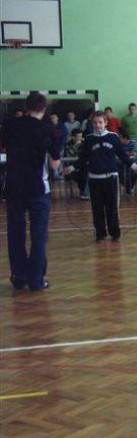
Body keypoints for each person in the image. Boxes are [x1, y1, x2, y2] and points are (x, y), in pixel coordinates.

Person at [1, 92, 61, 291]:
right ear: (44, 109)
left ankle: (19, 277)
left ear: (26, 107)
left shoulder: (10, 125)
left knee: (15, 233)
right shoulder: (48, 129)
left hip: (13, 188)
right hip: (37, 189)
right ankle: (36, 280)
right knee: (39, 236)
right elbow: (54, 164)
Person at [66, 111, 137, 242]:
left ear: (105, 123)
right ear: (92, 124)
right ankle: (100, 234)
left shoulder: (113, 137)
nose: (98, 125)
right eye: (95, 123)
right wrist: (71, 168)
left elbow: (122, 155)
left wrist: (135, 166)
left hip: (111, 178)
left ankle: (115, 233)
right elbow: (83, 158)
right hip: (94, 178)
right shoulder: (89, 139)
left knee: (112, 207)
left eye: (100, 122)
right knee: (97, 208)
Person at [119, 132, 137, 196]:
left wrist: (123, 154)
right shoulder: (119, 144)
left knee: (132, 170)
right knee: (117, 171)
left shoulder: (134, 143)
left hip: (135, 162)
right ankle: (127, 186)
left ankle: (130, 187)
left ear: (125, 138)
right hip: (122, 162)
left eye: (120, 138)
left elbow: (135, 153)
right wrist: (127, 153)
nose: (119, 139)